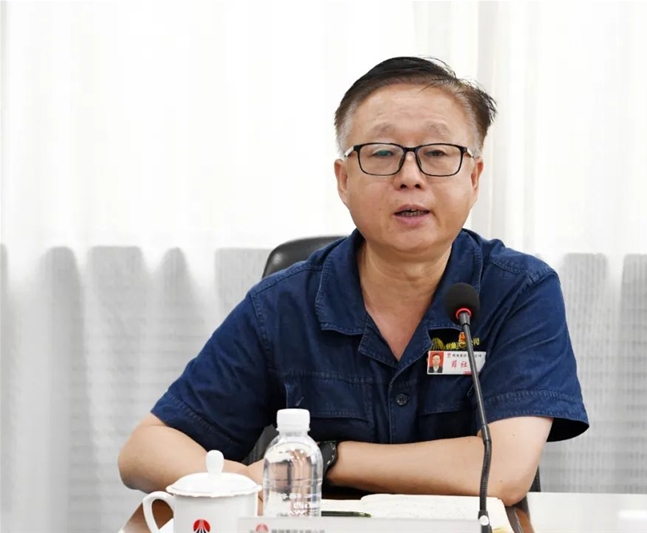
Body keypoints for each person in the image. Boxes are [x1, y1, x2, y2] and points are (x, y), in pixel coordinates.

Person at [118, 56, 589, 507]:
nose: (410, 177)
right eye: (382, 153)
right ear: (343, 180)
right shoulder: (283, 305)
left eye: (436, 153)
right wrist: (243, 485)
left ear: (474, 177)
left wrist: (324, 458)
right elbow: (145, 451)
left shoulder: (519, 291)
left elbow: (503, 471)